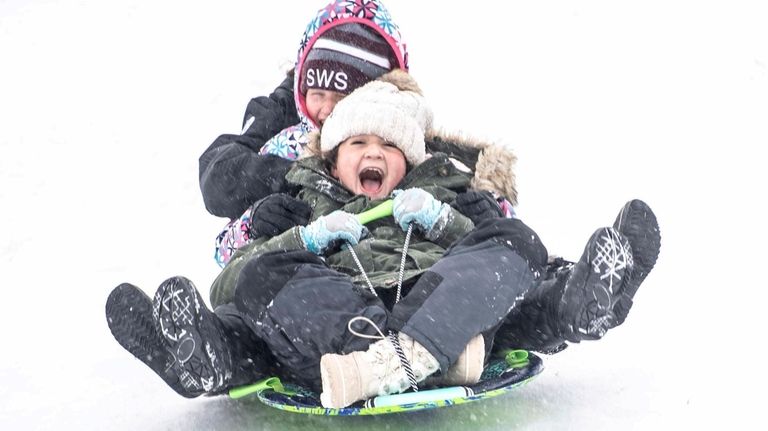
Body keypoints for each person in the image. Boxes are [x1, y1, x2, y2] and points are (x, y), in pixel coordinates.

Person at [107, 70, 661, 408]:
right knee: (258, 283)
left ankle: (583, 302)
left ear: (410, 160)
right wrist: (306, 236)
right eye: (358, 143)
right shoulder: (298, 203)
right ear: (332, 157)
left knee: (518, 245)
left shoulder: (448, 193)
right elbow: (232, 282)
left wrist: (447, 224)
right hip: (337, 337)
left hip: (444, 314)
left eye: (390, 147)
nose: (374, 153)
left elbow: (508, 259)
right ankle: (204, 356)